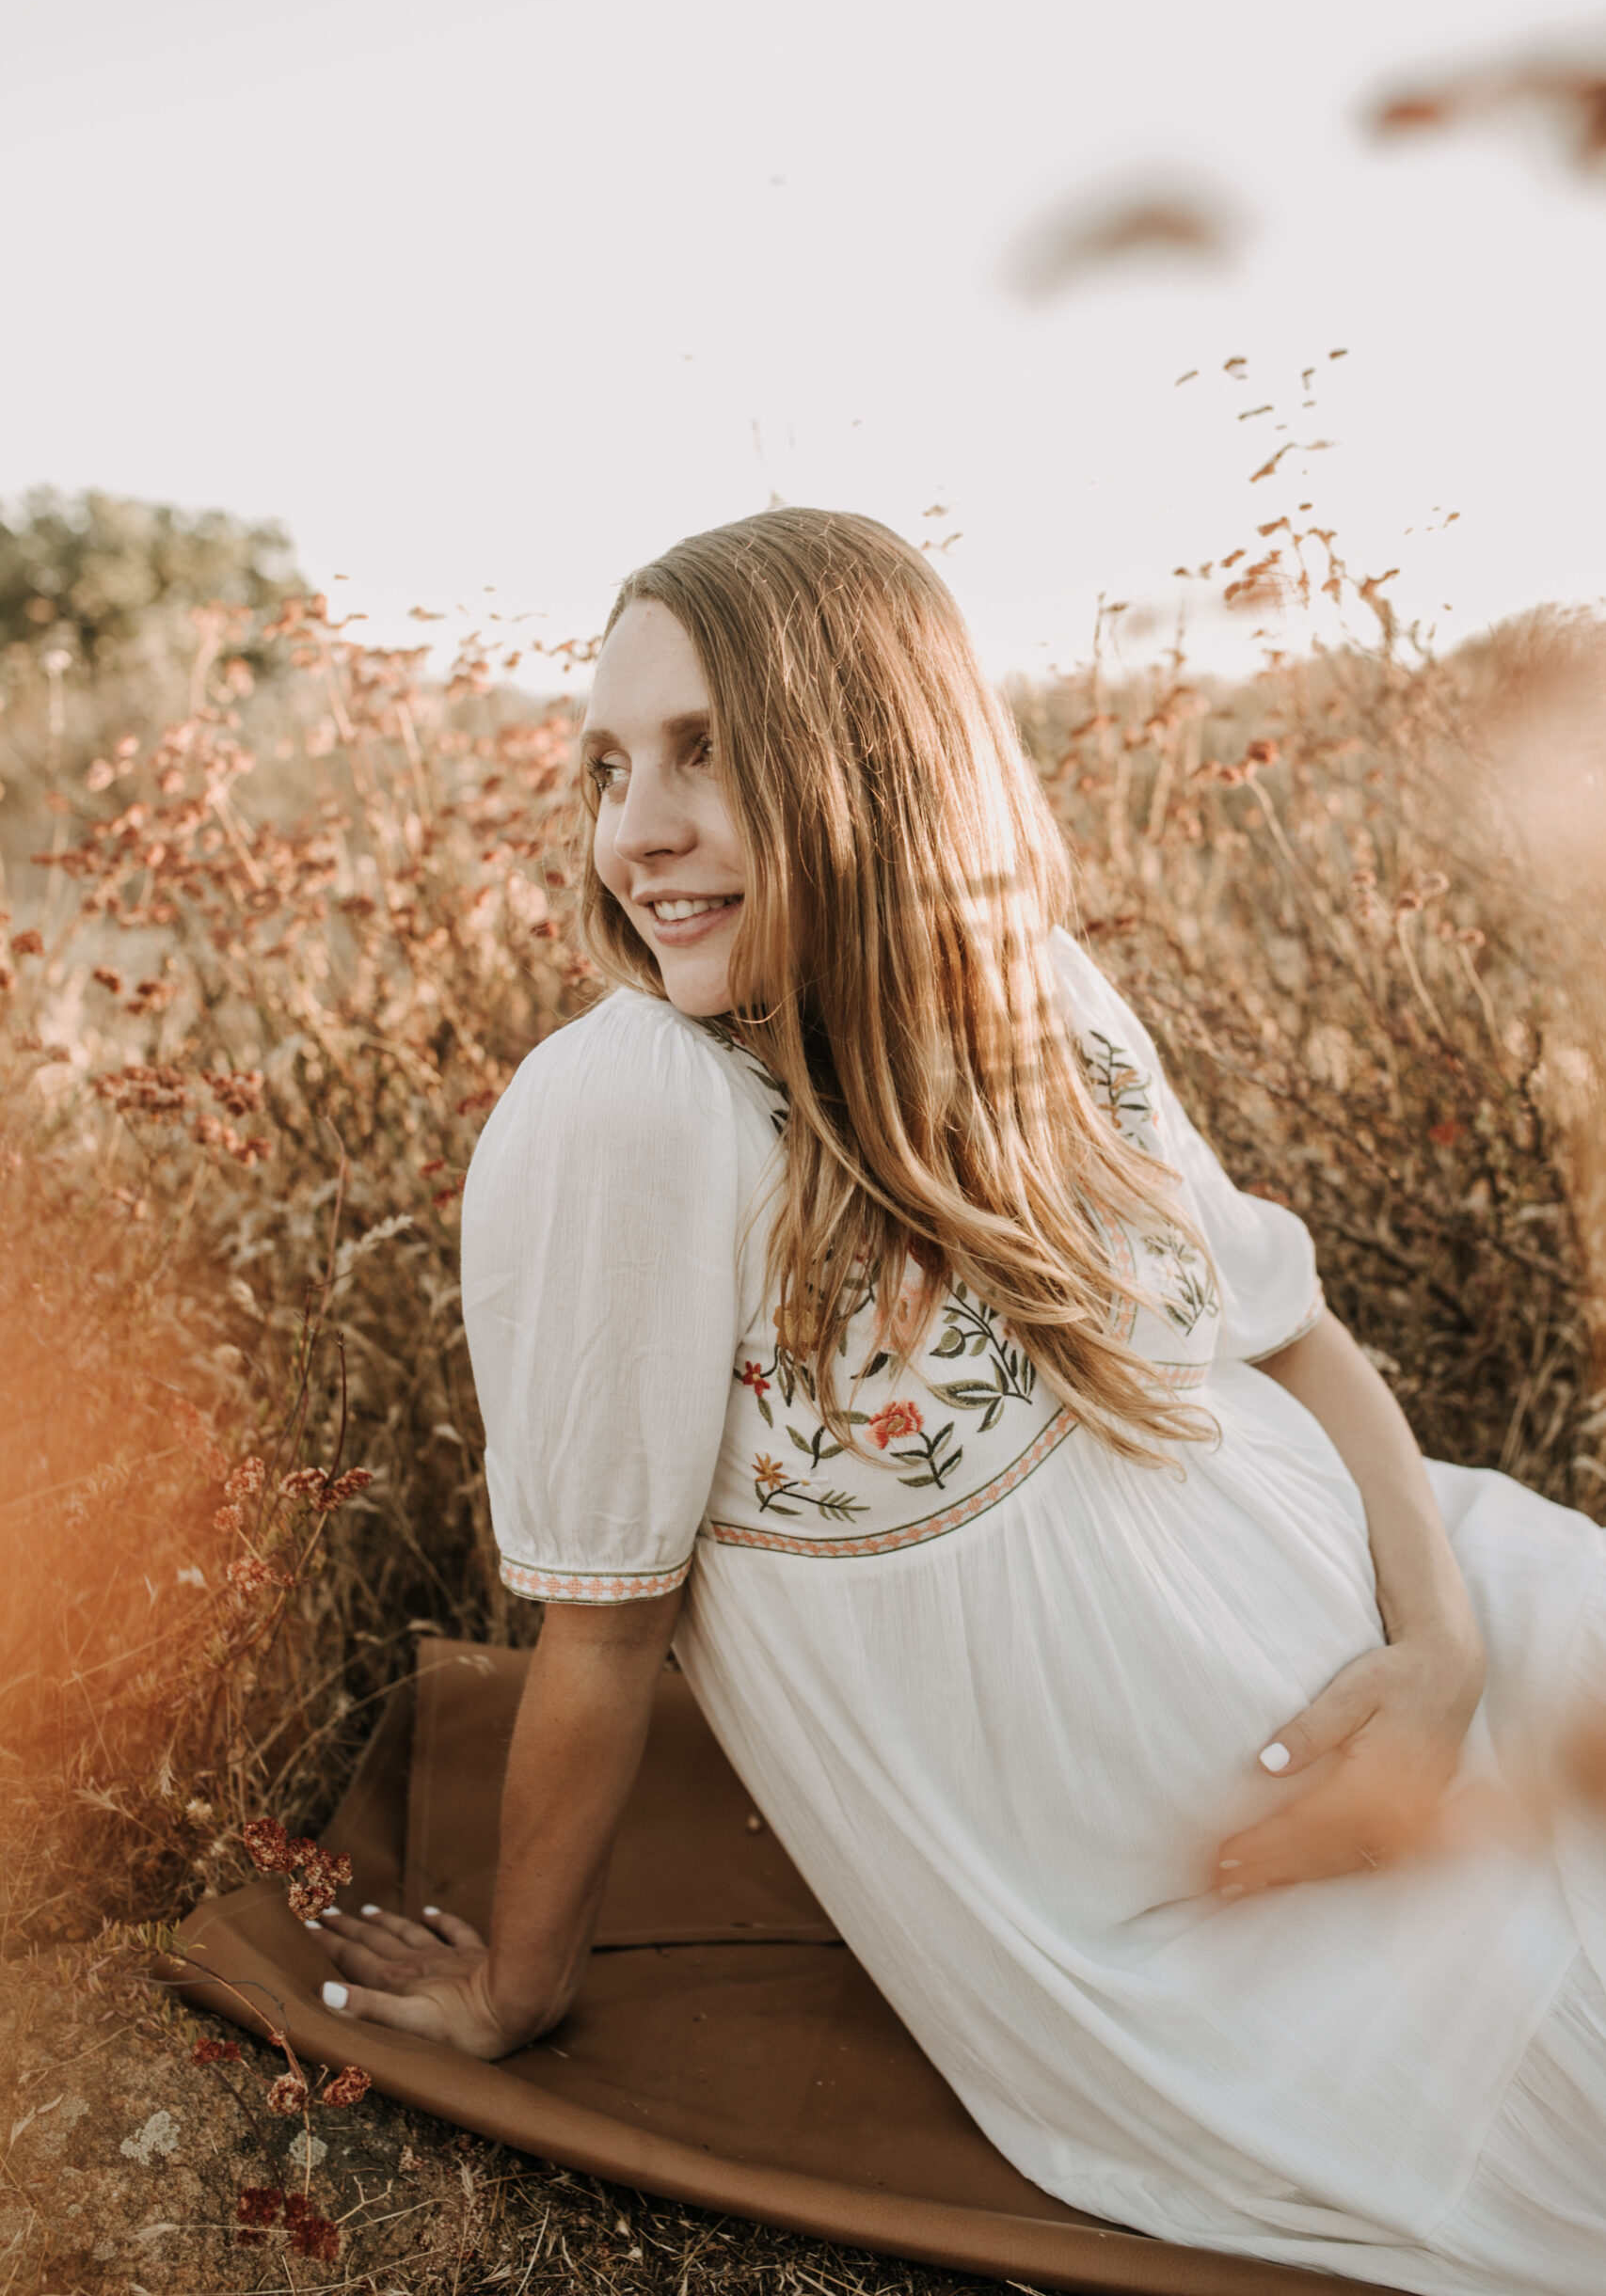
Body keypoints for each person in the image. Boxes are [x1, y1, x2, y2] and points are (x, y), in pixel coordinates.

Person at [308, 510, 1606, 2296]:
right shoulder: (624, 1117)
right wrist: (518, 1993)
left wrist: (1445, 1641)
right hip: (1196, 1939)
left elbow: (1288, 1335)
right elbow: (602, 1627)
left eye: (707, 754)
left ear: (873, 760)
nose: (638, 834)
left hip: (1441, 1630)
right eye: (606, 767)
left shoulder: (1034, 995)